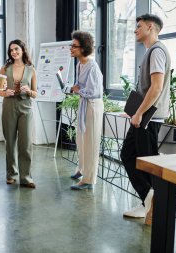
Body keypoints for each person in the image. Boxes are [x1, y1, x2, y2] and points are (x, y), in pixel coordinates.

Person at [121, 14, 171, 225]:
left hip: (149, 118)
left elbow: (157, 87)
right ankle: (148, 200)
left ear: (151, 27)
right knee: (129, 155)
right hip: (143, 116)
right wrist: (135, 110)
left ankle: (154, 206)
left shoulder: (157, 51)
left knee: (147, 162)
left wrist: (140, 113)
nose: (135, 30)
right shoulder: (151, 51)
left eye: (138, 26)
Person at [0, 39, 37, 188]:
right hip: (9, 106)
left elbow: (35, 93)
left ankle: (26, 177)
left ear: (22, 50)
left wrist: (29, 91)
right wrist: (5, 93)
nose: (13, 52)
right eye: (11, 50)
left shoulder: (31, 69)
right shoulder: (5, 68)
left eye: (16, 49)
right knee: (10, 142)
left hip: (26, 107)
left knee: (25, 144)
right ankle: (11, 174)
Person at [69, 31, 104, 190]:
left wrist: (77, 90)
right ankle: (82, 169)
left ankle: (89, 180)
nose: (71, 48)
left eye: (74, 46)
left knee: (91, 143)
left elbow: (94, 92)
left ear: (83, 48)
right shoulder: (79, 64)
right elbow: (79, 86)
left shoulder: (92, 66)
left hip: (93, 105)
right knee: (81, 140)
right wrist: (74, 88)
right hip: (84, 103)